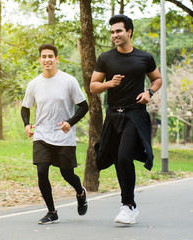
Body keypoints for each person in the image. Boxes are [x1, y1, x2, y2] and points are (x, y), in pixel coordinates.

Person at [90, 14, 162, 224]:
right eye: (112, 32)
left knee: (123, 157)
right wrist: (109, 84)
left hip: (135, 115)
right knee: (117, 160)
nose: (115, 35)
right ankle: (128, 204)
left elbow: (157, 79)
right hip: (113, 116)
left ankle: (128, 205)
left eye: (119, 31)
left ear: (129, 31)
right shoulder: (105, 58)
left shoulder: (144, 57)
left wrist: (149, 92)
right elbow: (93, 86)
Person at [21, 43, 89, 224]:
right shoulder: (34, 84)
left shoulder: (68, 81)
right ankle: (52, 212)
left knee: (67, 173)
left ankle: (80, 191)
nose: (47, 59)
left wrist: (70, 123)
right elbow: (25, 108)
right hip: (42, 134)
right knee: (42, 171)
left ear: (56, 59)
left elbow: (84, 106)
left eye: (50, 56)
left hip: (64, 135)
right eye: (44, 56)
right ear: (40, 60)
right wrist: (27, 125)